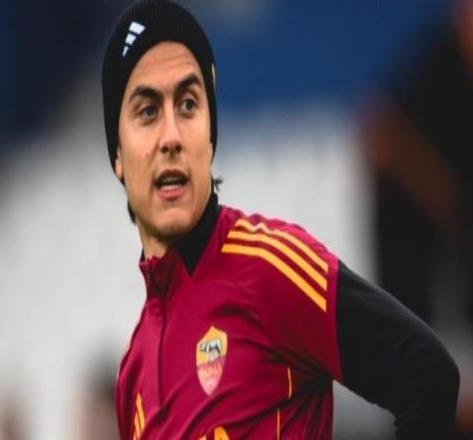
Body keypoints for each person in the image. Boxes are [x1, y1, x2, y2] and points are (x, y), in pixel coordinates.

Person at [101, 1, 459, 439]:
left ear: (210, 135)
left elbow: (427, 374)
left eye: (189, 104)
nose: (171, 137)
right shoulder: (132, 373)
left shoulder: (268, 267)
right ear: (117, 154)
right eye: (147, 111)